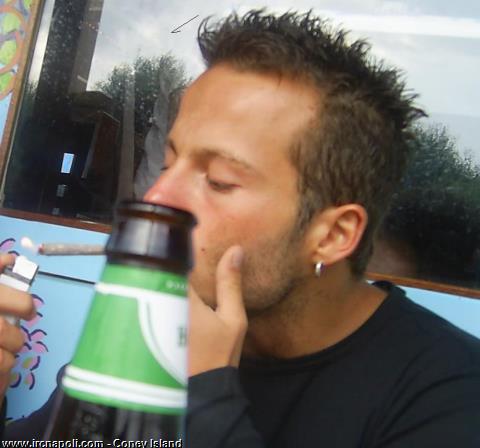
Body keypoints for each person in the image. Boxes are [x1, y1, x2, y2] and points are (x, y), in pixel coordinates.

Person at [4, 9, 480, 446]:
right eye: (168, 162)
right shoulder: (151, 327)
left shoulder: (449, 396)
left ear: (333, 235)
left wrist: (206, 396)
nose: (155, 199)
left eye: (219, 180)